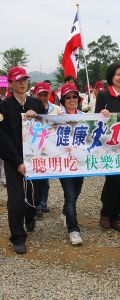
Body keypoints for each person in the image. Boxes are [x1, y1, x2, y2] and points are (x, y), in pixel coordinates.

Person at [0, 67, 46, 254]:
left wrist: (37, 117)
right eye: (17, 80)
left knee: (35, 193)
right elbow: (3, 138)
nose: (22, 83)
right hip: (13, 161)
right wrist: (18, 162)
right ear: (10, 84)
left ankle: (30, 215)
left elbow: (48, 126)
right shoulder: (4, 107)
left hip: (35, 158)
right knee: (16, 197)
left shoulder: (35, 103)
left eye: (24, 79)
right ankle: (18, 236)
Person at [94, 63, 120, 232]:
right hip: (109, 146)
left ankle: (116, 217)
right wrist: (101, 114)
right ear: (111, 77)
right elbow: (95, 119)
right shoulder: (104, 96)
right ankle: (106, 214)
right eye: (118, 74)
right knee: (113, 181)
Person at [59, 83, 85, 245]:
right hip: (63, 162)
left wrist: (104, 114)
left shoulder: (85, 115)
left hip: (80, 162)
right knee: (70, 196)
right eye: (68, 97)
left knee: (76, 192)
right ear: (62, 100)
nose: (72, 100)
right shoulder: (56, 115)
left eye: (74, 97)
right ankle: (73, 230)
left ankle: (65, 212)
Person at [33, 82, 62, 218]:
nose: (43, 97)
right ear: (35, 94)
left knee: (44, 177)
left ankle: (42, 203)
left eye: (45, 94)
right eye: (40, 94)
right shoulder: (30, 108)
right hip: (33, 147)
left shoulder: (56, 109)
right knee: (34, 177)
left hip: (50, 147)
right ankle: (34, 203)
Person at [0, 76, 9, 187]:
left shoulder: (9, 99)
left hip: (6, 130)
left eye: (4, 87)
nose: (3, 89)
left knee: (4, 157)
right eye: (1, 87)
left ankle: (4, 179)